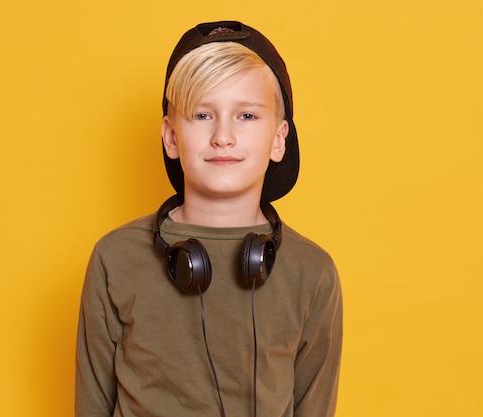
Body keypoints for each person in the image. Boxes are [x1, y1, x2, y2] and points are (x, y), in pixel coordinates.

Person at [75, 20, 343, 417]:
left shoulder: (313, 273)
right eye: (202, 115)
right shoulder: (115, 259)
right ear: (170, 136)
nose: (223, 136)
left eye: (247, 116)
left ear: (279, 139)